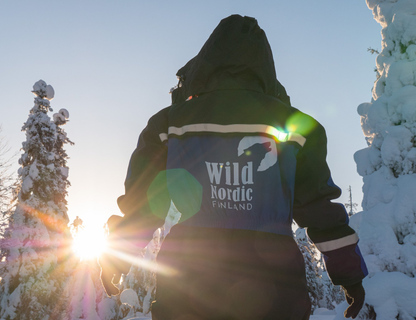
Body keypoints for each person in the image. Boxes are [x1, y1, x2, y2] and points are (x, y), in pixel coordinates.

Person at [99, 15, 367, 320]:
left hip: (188, 281)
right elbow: (320, 207)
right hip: (275, 285)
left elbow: (143, 202)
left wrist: (117, 256)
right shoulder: (298, 128)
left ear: (204, 63)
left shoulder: (169, 124)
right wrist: (350, 274)